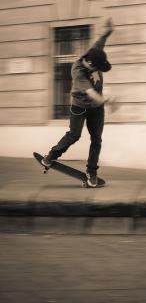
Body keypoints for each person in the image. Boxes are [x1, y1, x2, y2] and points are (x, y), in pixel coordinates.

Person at [42, 18, 114, 188]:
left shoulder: (93, 53)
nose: (98, 71)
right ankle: (51, 156)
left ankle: (92, 171)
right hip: (79, 108)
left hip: (97, 109)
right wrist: (106, 100)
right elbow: (90, 93)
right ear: (89, 64)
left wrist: (108, 31)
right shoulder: (78, 72)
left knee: (97, 139)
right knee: (74, 135)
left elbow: (100, 41)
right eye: (97, 68)